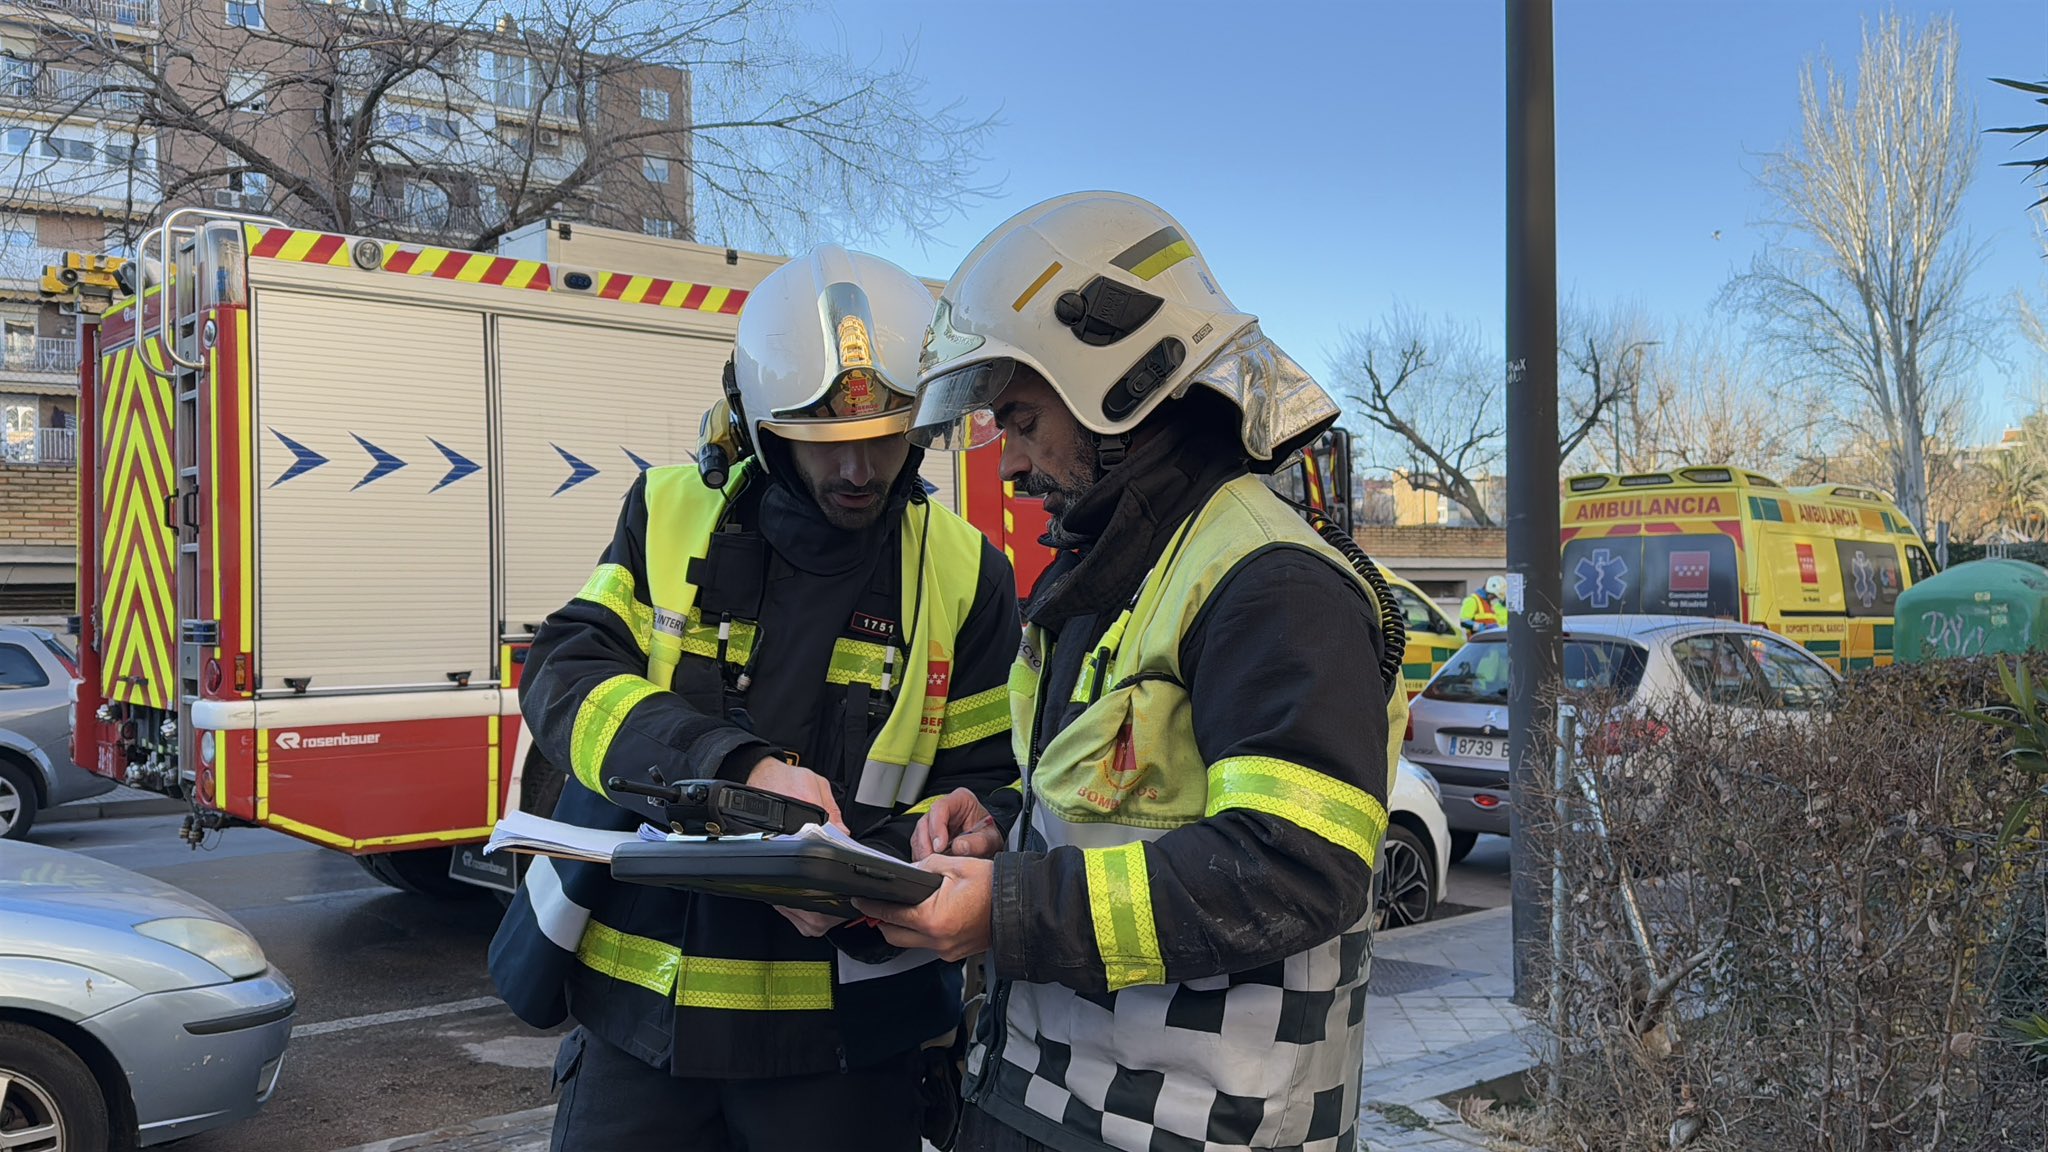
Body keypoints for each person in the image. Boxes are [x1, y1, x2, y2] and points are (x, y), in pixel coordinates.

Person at [857, 192, 1409, 1152]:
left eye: (1022, 419)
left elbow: (1291, 867)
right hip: (1051, 1100)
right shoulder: (1121, 570)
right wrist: (1004, 827)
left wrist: (1014, 908)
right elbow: (1120, 820)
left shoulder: (1271, 585)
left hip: (1195, 1130)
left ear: (1119, 382)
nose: (1011, 462)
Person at [488, 245, 1020, 1152]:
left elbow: (988, 783)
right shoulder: (664, 512)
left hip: (845, 1052)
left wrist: (867, 881)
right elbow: (566, 674)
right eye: (828, 446)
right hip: (637, 1037)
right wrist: (737, 769)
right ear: (764, 428)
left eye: (883, 440)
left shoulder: (968, 574)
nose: (859, 473)